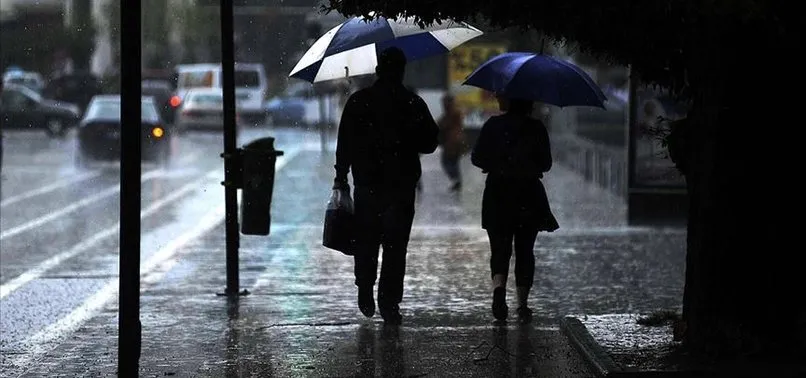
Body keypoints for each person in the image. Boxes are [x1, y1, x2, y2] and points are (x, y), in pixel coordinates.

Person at [333, 47, 439, 325]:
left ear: (378, 70)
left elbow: (344, 143)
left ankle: (365, 287)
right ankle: (389, 302)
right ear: (402, 70)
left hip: (367, 185)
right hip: (401, 188)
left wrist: (341, 176)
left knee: (366, 240)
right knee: (395, 246)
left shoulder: (359, 102)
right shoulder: (413, 103)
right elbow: (430, 142)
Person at [470, 94, 559, 323]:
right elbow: (546, 164)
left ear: (509, 100)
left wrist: (496, 163)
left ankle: (499, 287)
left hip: (498, 192)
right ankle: (522, 304)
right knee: (525, 250)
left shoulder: (493, 125)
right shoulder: (537, 128)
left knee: (499, 248)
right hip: (528, 194)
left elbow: (477, 158)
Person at [437, 94, 465, 191]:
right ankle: (457, 181)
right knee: (453, 162)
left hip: (452, 142)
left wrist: (439, 124)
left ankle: (456, 180)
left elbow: (444, 124)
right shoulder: (453, 112)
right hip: (455, 141)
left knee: (447, 162)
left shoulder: (452, 112)